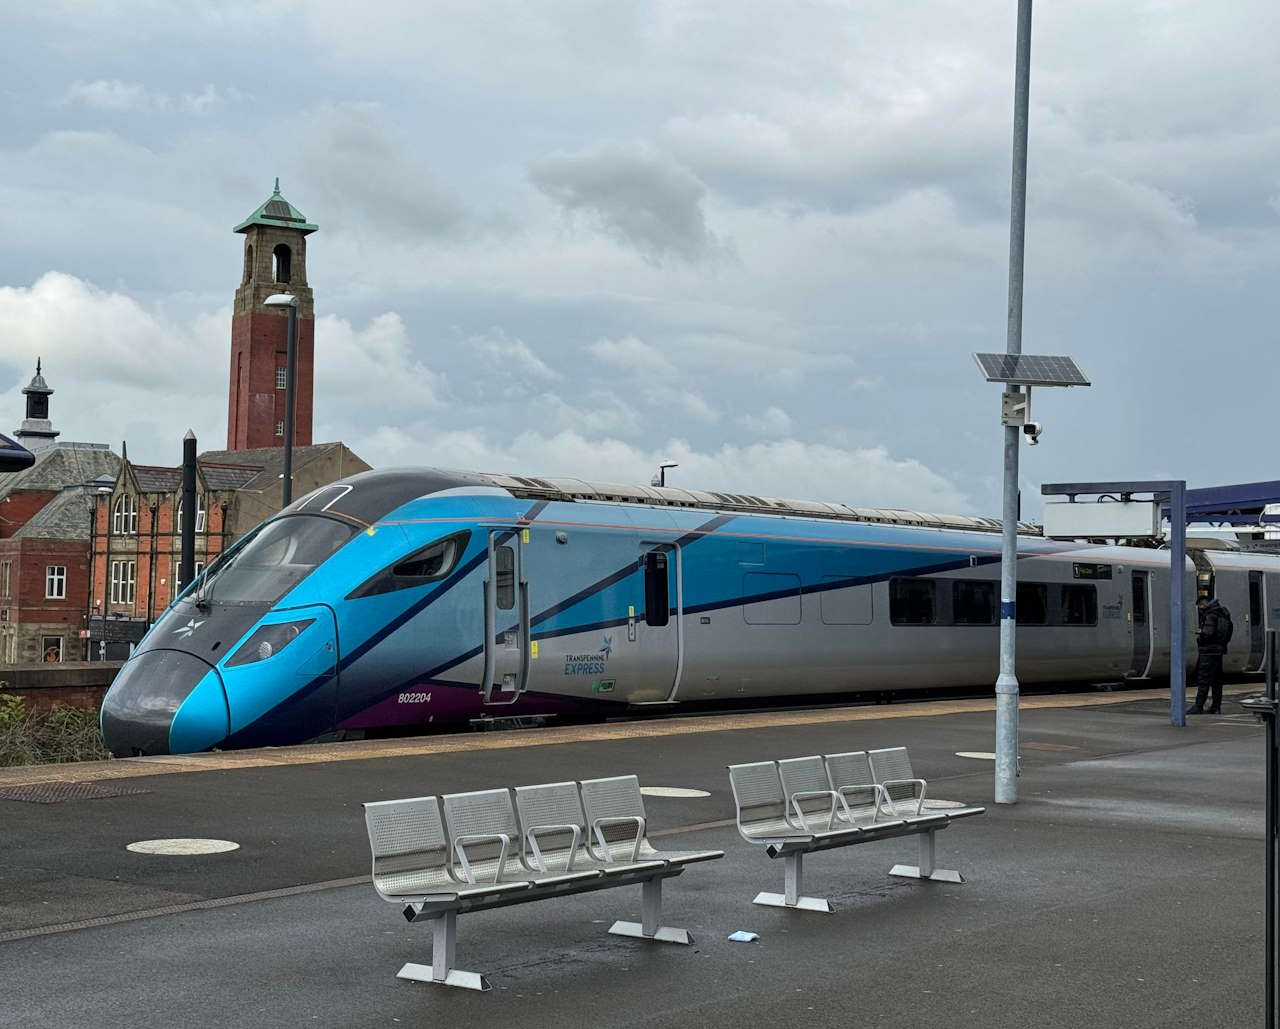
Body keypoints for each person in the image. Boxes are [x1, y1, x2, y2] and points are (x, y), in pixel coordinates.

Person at [1187, 595, 1232, 715]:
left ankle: (1198, 706)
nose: (1200, 609)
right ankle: (1216, 707)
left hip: (1208, 652)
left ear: (1204, 603)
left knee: (1203, 680)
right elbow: (1229, 631)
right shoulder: (1223, 613)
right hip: (1219, 650)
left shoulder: (1210, 615)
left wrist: (1200, 634)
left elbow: (1208, 633)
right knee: (1217, 681)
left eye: (1200, 606)